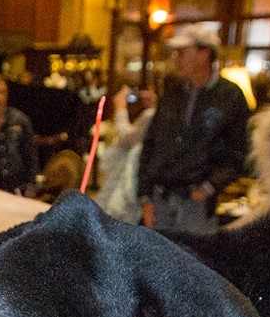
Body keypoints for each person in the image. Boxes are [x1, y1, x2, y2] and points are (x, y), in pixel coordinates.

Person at [137, 21, 250, 234]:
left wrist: (210, 186)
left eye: (182, 52)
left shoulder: (230, 96)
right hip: (161, 196)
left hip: (195, 202)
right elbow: (151, 143)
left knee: (193, 261)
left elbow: (239, 152)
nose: (176, 59)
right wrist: (144, 196)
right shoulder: (173, 90)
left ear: (204, 54)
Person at [95, 84, 157, 223]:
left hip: (134, 184)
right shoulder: (155, 114)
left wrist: (120, 108)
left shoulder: (151, 115)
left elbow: (127, 139)